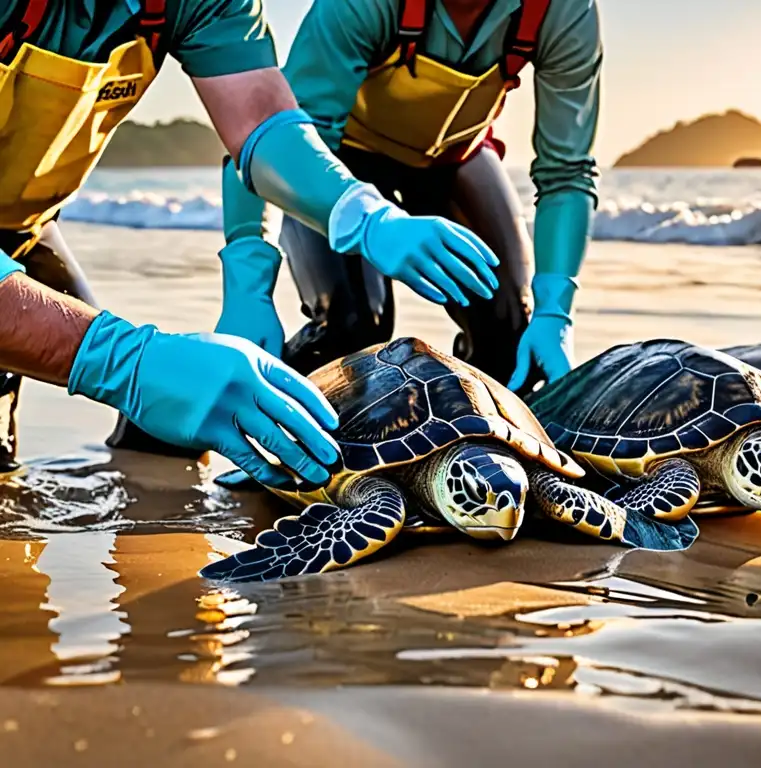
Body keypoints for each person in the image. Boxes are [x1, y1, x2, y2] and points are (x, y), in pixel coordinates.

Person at [0, 0, 500, 479]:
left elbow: (261, 124)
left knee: (171, 423)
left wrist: (361, 213)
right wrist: (123, 360)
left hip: (29, 224)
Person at [214, 0, 601, 392]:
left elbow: (567, 170)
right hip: (335, 159)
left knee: (511, 337)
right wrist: (250, 290)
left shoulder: (564, 11)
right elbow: (268, 139)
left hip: (455, 155)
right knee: (352, 328)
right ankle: (267, 406)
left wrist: (555, 313)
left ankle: (464, 438)